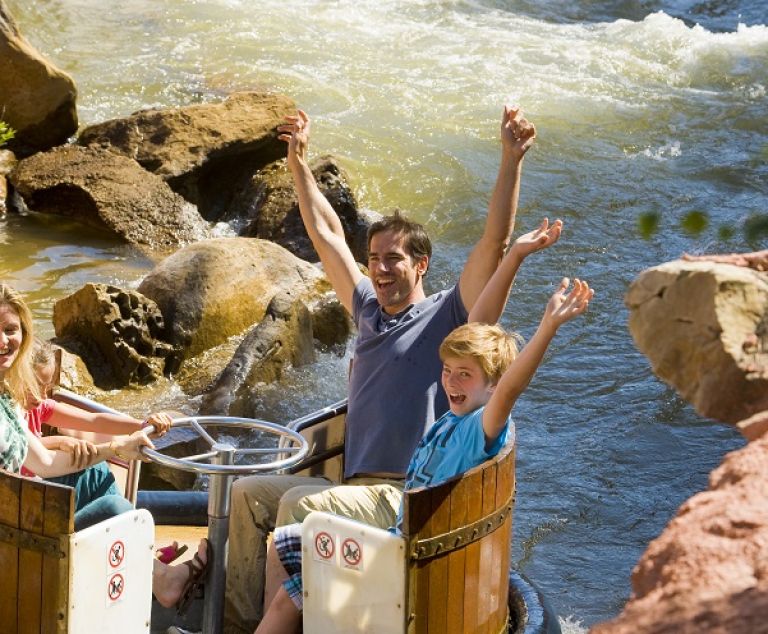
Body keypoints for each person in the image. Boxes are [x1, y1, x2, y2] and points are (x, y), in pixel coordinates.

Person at [224, 105, 560, 632]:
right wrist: (298, 163)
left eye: (393, 259)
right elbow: (325, 234)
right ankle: (241, 623)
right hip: (352, 484)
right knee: (246, 494)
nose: (379, 269)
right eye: (374, 258)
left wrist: (511, 159)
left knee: (293, 503)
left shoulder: (450, 317)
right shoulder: (365, 310)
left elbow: (492, 245)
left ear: (420, 265)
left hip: (400, 493)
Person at [254, 250, 595, 634]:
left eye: (465, 375)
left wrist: (547, 326)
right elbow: (475, 326)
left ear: (493, 386)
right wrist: (514, 256)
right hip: (397, 544)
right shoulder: (451, 419)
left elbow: (511, 387)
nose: (451, 381)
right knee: (292, 581)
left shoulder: (480, 428)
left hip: (404, 560)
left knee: (295, 540)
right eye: (447, 371)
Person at [0, 283, 208, 612]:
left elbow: (80, 430)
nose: (3, 342)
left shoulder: (8, 401)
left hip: (22, 508)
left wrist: (141, 426)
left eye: (10, 330)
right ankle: (157, 575)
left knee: (94, 474)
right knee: (116, 512)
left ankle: (142, 561)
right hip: (16, 536)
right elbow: (40, 459)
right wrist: (115, 447)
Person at [21, 337, 173, 529]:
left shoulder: (37, 407)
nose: (43, 395)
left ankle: (129, 539)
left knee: (95, 471)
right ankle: (132, 539)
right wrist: (59, 440)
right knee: (102, 483)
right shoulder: (7, 417)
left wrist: (142, 424)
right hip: (23, 508)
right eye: (36, 386)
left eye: (47, 387)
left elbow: (94, 421)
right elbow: (24, 447)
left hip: (37, 487)